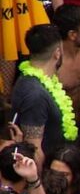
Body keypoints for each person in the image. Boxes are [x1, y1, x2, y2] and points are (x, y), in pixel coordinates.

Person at [11, 25, 76, 156]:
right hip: (46, 167)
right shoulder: (35, 94)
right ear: (57, 53)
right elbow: (34, 149)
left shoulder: (43, 82)